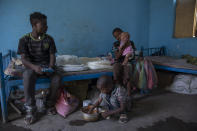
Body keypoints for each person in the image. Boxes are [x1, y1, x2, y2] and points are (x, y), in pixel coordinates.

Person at [17, 12, 61, 125]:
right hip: (32, 67)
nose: (46, 27)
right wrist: (34, 67)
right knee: (27, 75)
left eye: (46, 24)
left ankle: (49, 104)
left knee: (57, 78)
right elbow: (23, 60)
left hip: (46, 67)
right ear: (34, 25)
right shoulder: (24, 40)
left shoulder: (49, 39)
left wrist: (51, 67)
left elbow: (52, 56)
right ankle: (31, 109)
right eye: (43, 25)